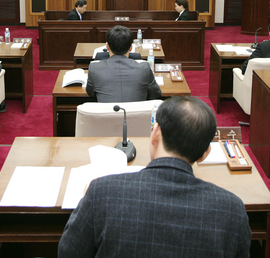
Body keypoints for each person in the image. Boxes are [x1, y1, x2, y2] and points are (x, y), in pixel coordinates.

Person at [57, 96, 251, 258]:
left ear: (155, 132)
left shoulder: (102, 192)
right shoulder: (233, 210)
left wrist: (90, 197)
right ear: (205, 153)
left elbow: (68, 253)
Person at [85, 25, 161, 103]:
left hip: (107, 111)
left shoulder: (94, 68)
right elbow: (155, 94)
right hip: (137, 111)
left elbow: (91, 93)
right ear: (131, 47)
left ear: (107, 46)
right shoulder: (144, 68)